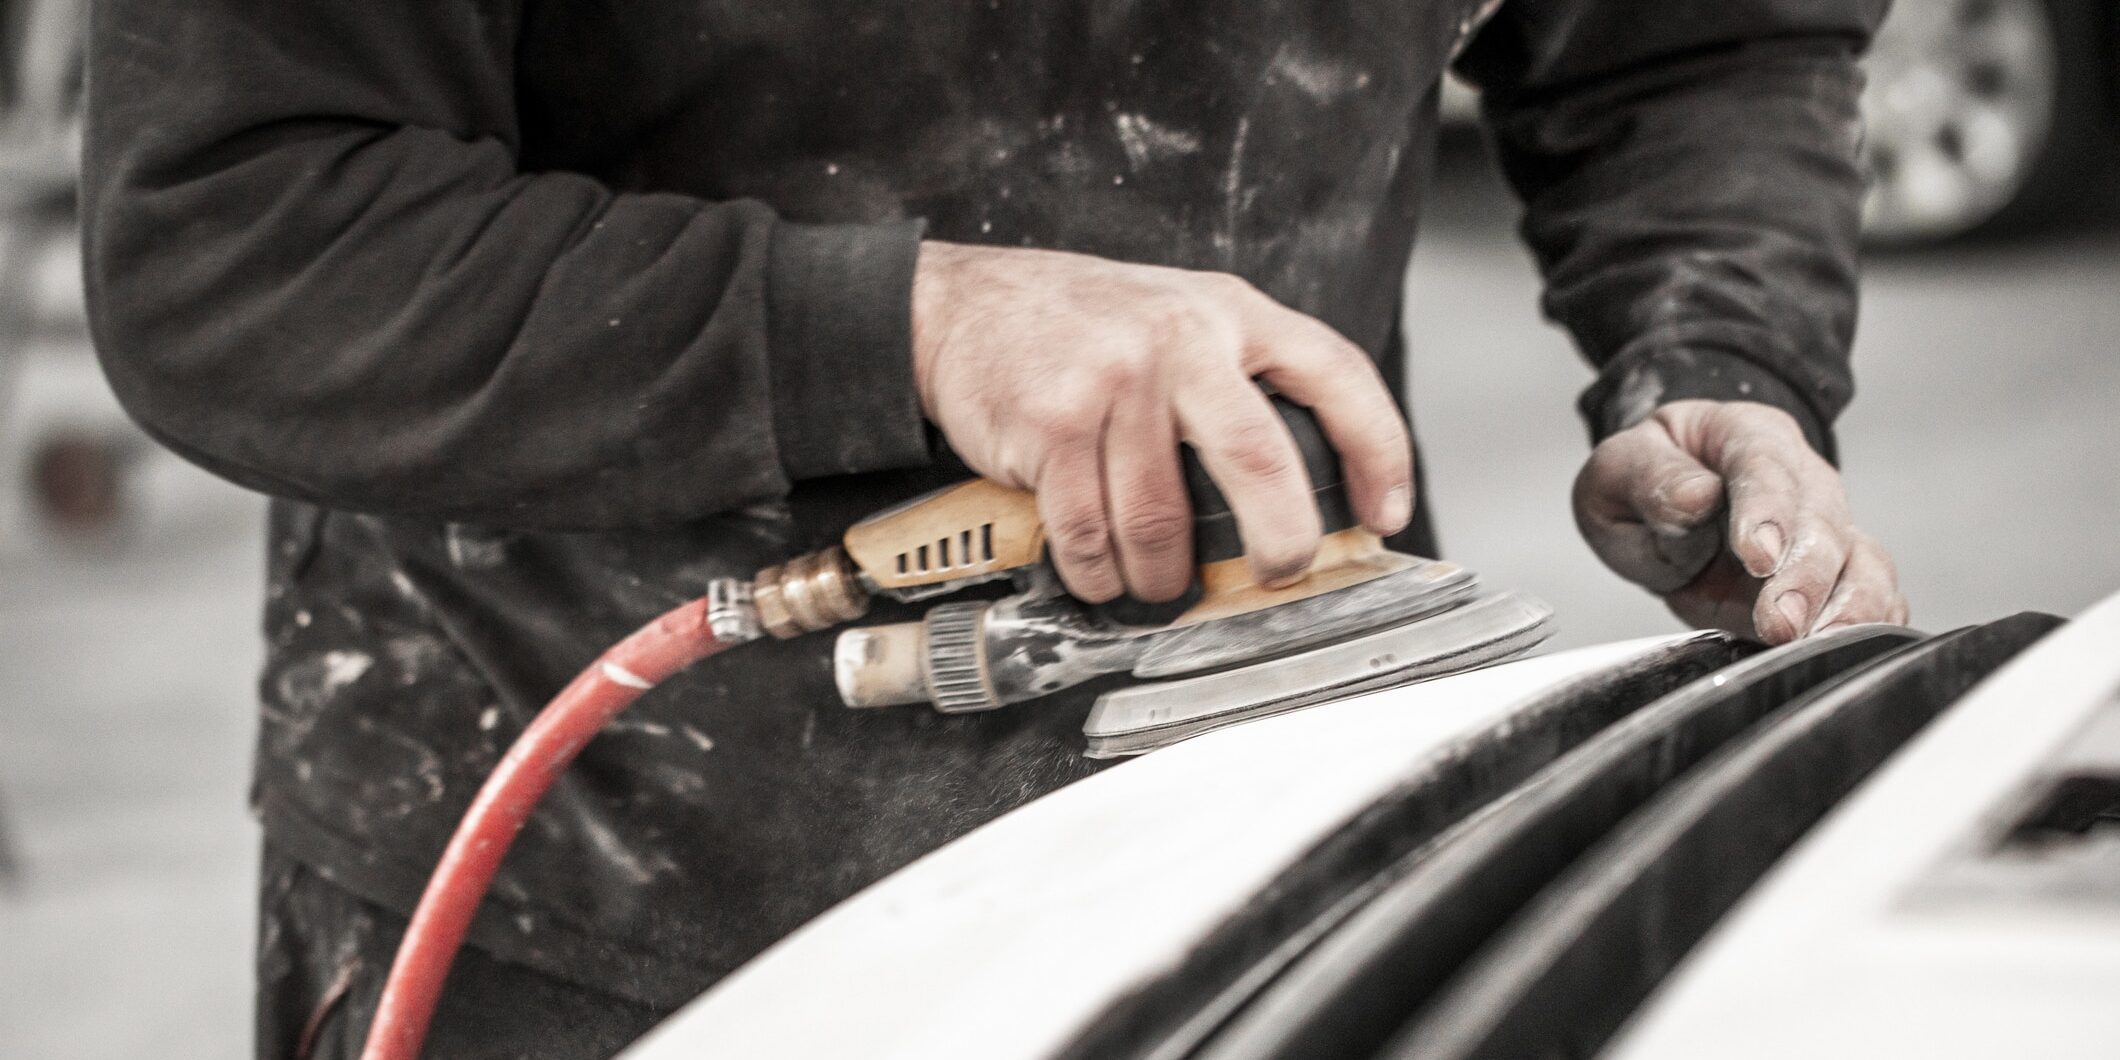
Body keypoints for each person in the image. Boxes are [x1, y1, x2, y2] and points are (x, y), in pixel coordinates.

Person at [82, 1, 1908, 1056]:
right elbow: (237, 230)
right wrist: (912, 325)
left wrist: (1717, 344)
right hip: (597, 881)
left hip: (1265, 824)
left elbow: (1700, 36)